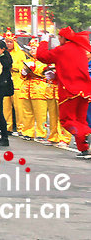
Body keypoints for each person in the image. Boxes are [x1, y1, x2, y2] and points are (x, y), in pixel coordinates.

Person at [35, 26, 91, 158]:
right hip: (85, 91)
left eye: (59, 37)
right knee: (80, 121)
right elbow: (72, 68)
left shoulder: (62, 50)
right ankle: (84, 149)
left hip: (69, 91)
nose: (58, 39)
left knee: (66, 120)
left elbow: (41, 56)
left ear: (63, 38)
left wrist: (43, 41)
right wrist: (56, 75)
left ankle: (86, 134)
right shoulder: (81, 49)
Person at [2, 29, 27, 136]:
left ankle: (21, 128)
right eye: (6, 42)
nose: (8, 44)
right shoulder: (2, 53)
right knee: (5, 107)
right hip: (5, 82)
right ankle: (7, 127)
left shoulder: (20, 54)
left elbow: (22, 67)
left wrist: (11, 66)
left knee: (19, 108)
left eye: (10, 41)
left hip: (17, 84)